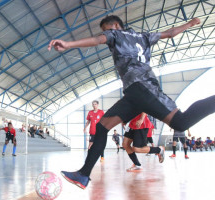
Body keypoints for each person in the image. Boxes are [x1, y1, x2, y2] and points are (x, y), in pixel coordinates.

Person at [48, 15, 214, 189]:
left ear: (115, 25)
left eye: (107, 29)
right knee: (102, 127)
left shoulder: (115, 34)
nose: (106, 33)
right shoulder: (145, 36)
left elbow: (97, 40)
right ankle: (83, 175)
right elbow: (171, 33)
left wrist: (68, 44)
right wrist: (190, 23)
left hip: (144, 89)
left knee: (181, 122)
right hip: (134, 94)